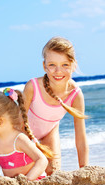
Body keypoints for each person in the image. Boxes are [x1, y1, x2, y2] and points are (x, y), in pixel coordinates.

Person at [23, 36, 89, 176]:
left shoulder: (75, 95)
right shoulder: (33, 86)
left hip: (49, 132)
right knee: (25, 173)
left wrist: (84, 170)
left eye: (65, 65)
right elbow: (17, 122)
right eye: (52, 65)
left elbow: (81, 138)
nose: (58, 71)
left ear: (74, 65)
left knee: (53, 173)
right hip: (24, 134)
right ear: (44, 66)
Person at [0, 88, 53, 181]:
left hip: (34, 181)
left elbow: (42, 160)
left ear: (1, 121)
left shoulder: (19, 139)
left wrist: (27, 181)